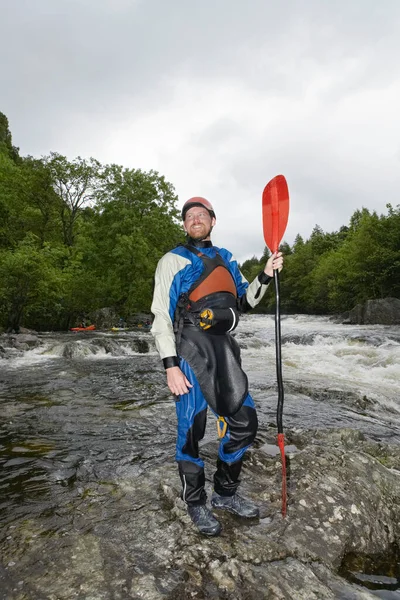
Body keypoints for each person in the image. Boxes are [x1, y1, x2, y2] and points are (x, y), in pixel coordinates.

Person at [151, 197, 283, 536]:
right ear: (184, 225)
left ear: (213, 220)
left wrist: (266, 275)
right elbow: (162, 316)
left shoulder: (226, 258)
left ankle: (224, 494)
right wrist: (170, 366)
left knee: (244, 422)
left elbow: (245, 302)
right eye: (189, 216)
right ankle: (195, 502)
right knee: (191, 431)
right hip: (189, 350)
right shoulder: (173, 260)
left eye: (202, 215)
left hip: (224, 349)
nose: (195, 219)